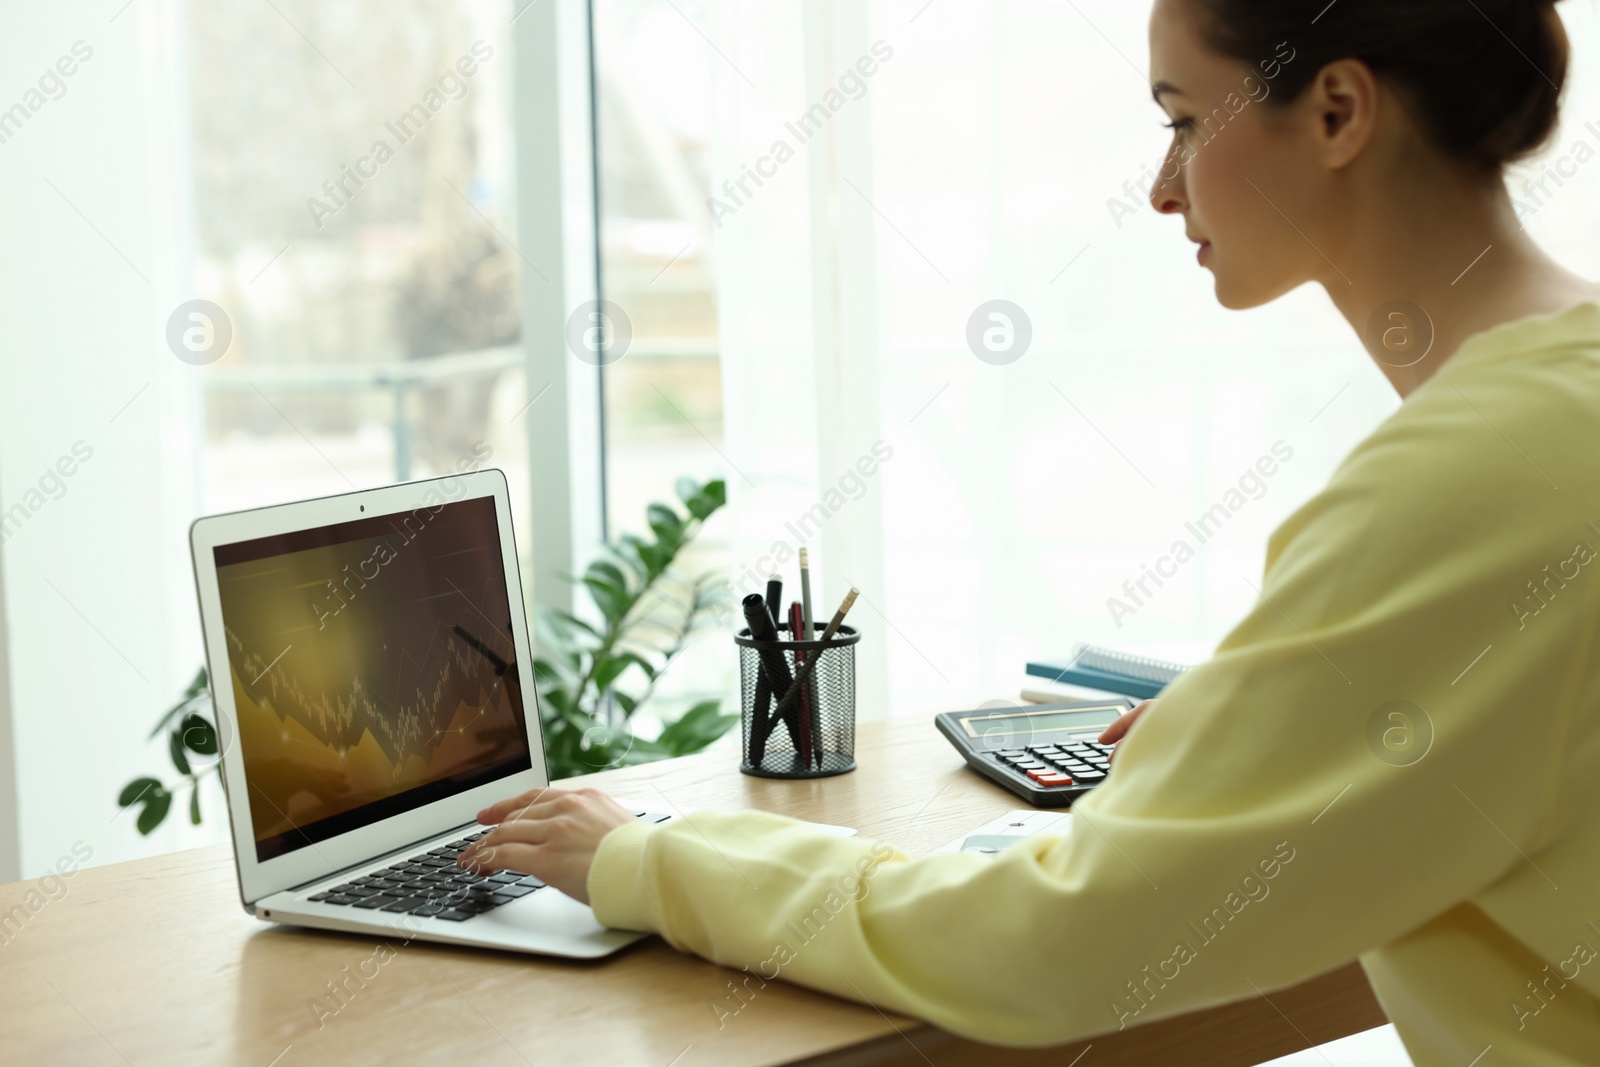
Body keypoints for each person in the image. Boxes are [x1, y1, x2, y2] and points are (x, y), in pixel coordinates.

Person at [461, 0, 1600, 1060]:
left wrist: (649, 856)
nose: (1162, 188)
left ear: (1338, 111)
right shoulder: (1555, 407)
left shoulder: (1473, 479)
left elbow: (1060, 947)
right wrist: (1269, 727)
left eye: (1186, 120)